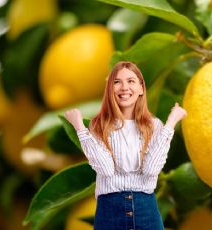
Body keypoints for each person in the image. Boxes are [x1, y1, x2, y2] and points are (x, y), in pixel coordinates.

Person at [64, 61, 187, 230]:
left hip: (145, 208)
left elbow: (151, 169)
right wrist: (80, 128)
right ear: (110, 89)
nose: (124, 87)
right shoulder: (99, 126)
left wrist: (170, 123)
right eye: (117, 82)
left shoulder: (154, 125)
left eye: (131, 81)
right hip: (109, 208)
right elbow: (106, 169)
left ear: (141, 88)